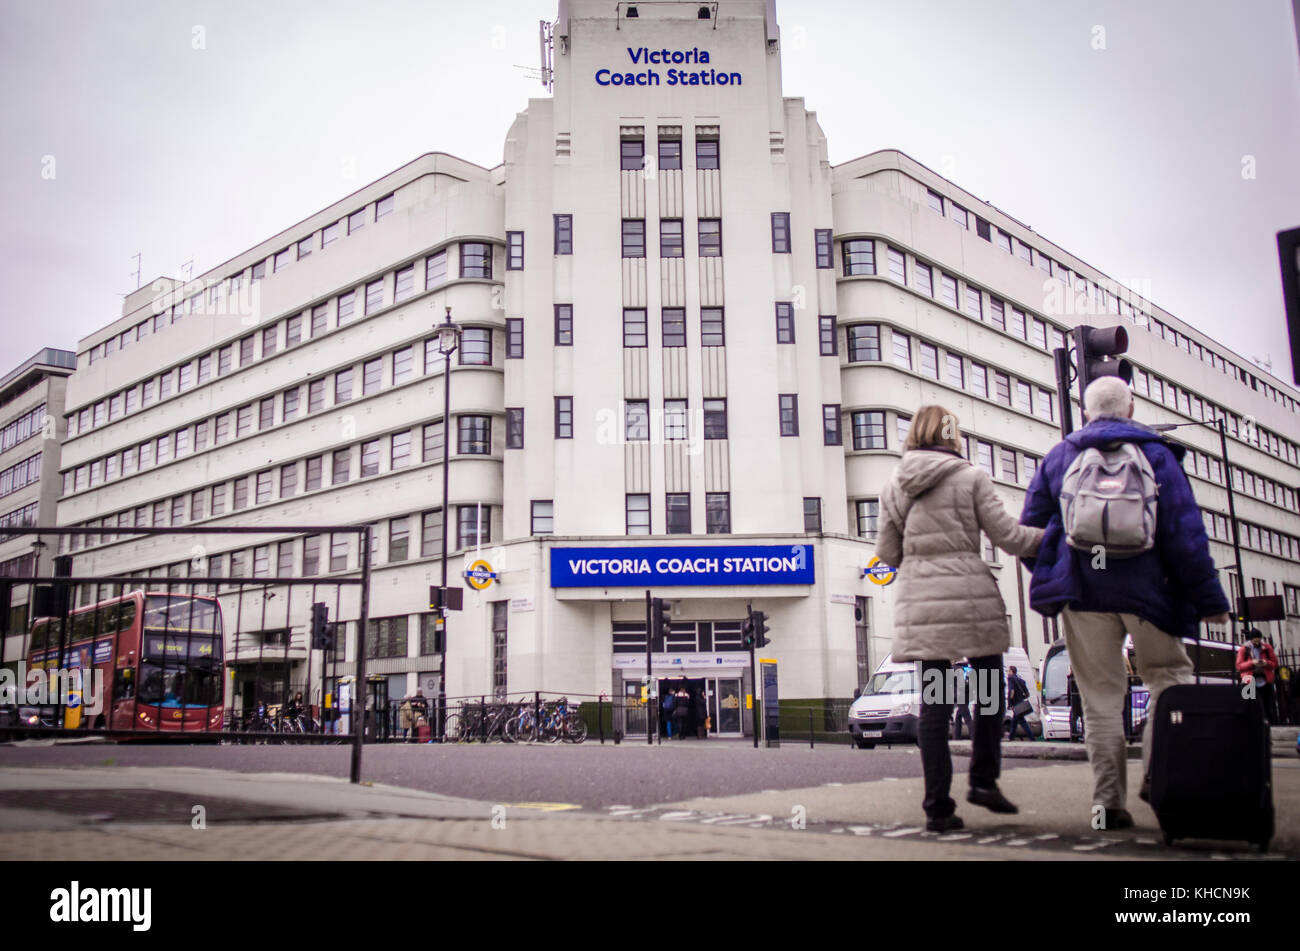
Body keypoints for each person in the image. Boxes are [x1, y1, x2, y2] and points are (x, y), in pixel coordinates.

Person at [1019, 377, 1230, 831]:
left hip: (1084, 594)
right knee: (1168, 681)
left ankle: (1107, 805)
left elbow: (1030, 531)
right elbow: (1185, 533)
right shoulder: (1157, 454)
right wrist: (1209, 598)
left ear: (1085, 409)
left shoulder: (1062, 455)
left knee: (1098, 701)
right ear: (1131, 408)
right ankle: (1160, 775)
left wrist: (1054, 572)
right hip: (1150, 592)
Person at [876, 405, 1044, 833]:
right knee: (988, 695)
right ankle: (983, 781)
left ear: (914, 434)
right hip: (970, 603)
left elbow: (889, 555)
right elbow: (1008, 537)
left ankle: (937, 807)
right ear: (951, 436)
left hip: (925, 608)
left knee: (936, 705)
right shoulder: (971, 477)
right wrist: (1055, 537)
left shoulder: (895, 485)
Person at [1236, 629, 1278, 724]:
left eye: (1258, 639)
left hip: (1265, 680)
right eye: (1255, 640)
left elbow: (1275, 663)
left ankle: (1267, 722)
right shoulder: (1244, 649)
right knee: (1251, 704)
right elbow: (1239, 666)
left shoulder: (1267, 648)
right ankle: (1251, 722)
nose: (1257, 642)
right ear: (1250, 640)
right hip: (1249, 680)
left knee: (1267, 704)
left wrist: (1265, 663)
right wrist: (1252, 663)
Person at [1006, 666, 1034, 741]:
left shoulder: (1011, 678)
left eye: (1008, 671)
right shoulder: (1021, 681)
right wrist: (1021, 698)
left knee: (1022, 721)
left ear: (1011, 671)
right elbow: (1027, 694)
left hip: (1016, 705)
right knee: (1014, 721)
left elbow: (1011, 691)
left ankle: (1032, 738)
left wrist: (1010, 703)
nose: (1007, 673)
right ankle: (1011, 737)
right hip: (1021, 704)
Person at [951, 662, 974, 740]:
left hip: (961, 696)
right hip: (967, 695)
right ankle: (956, 736)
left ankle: (974, 736)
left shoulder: (955, 669)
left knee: (967, 717)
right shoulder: (967, 669)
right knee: (958, 716)